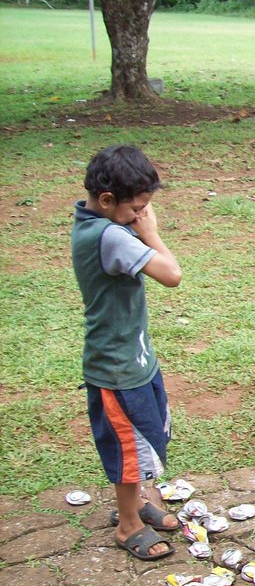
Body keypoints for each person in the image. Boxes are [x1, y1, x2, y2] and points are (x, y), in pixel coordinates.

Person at [71, 144, 183, 561]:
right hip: (115, 368)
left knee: (144, 438)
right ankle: (127, 525)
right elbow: (171, 275)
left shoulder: (95, 222)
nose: (141, 215)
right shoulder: (110, 235)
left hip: (133, 358)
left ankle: (135, 503)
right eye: (136, 208)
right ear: (106, 201)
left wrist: (135, 223)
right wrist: (150, 234)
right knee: (128, 448)